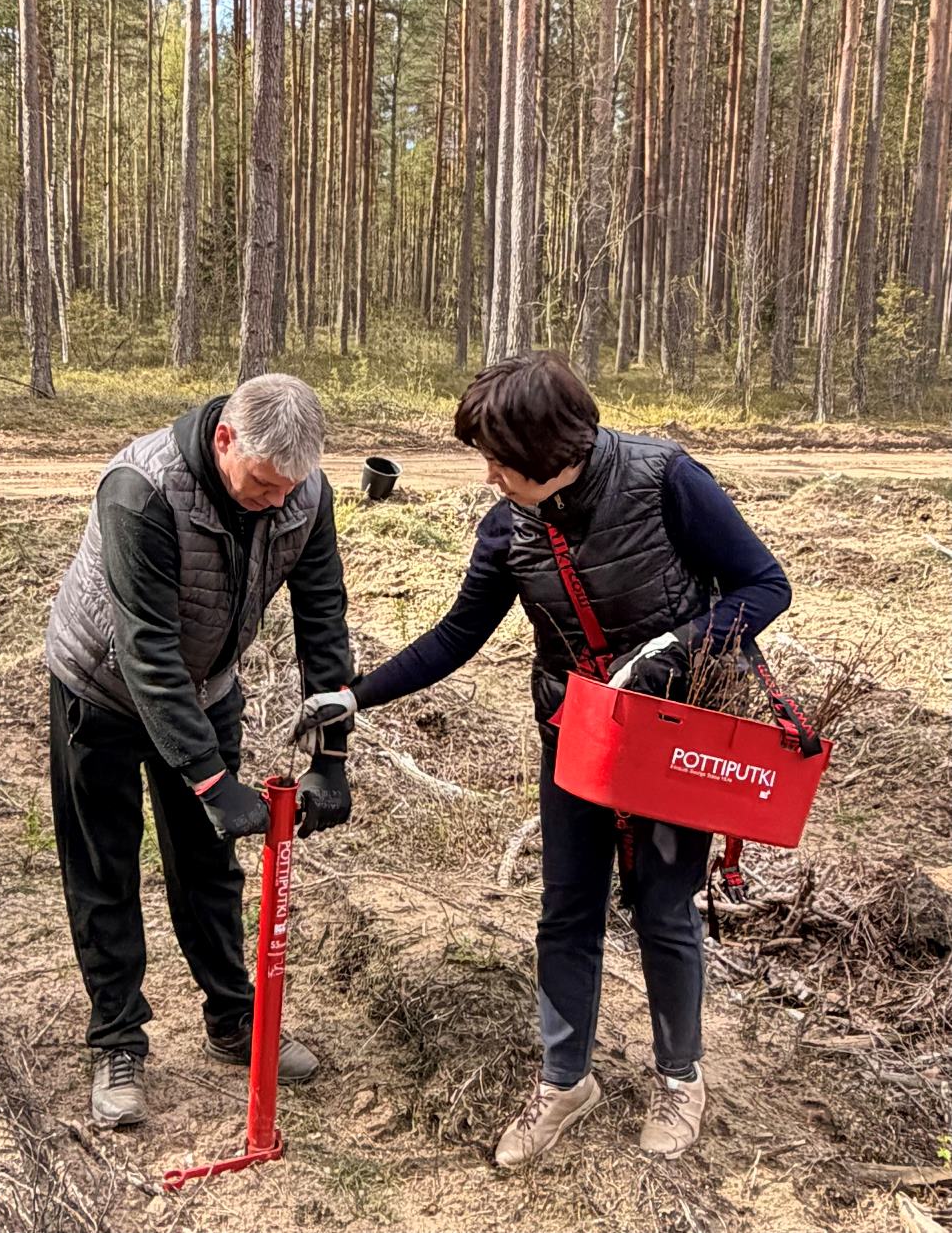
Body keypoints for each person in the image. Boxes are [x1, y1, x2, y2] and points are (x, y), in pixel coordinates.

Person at [293, 352, 792, 1165]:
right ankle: (565, 1082)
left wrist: (671, 648)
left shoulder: (665, 479)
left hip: (673, 735)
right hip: (577, 734)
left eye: (501, 458)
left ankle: (681, 1080)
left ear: (551, 448)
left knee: (663, 907)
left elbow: (764, 586)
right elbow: (458, 634)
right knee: (566, 909)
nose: (489, 475)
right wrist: (357, 696)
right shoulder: (509, 526)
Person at [46, 373, 353, 1129]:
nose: (278, 501)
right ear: (224, 440)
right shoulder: (140, 489)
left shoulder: (302, 494)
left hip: (207, 687)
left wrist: (331, 755)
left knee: (209, 864)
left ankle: (233, 1020)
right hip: (102, 691)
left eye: (291, 487)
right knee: (105, 864)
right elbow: (146, 651)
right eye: (264, 484)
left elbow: (322, 618)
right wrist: (212, 780)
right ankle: (117, 1040)